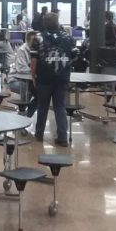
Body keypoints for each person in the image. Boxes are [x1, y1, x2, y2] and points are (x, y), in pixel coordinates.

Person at [33, 12, 76, 146]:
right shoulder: (68, 38)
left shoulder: (38, 38)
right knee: (59, 107)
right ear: (57, 22)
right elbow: (75, 56)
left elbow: (33, 59)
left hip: (44, 77)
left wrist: (33, 75)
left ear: (44, 23)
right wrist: (65, 64)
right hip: (62, 77)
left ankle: (39, 134)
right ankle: (62, 137)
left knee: (42, 106)